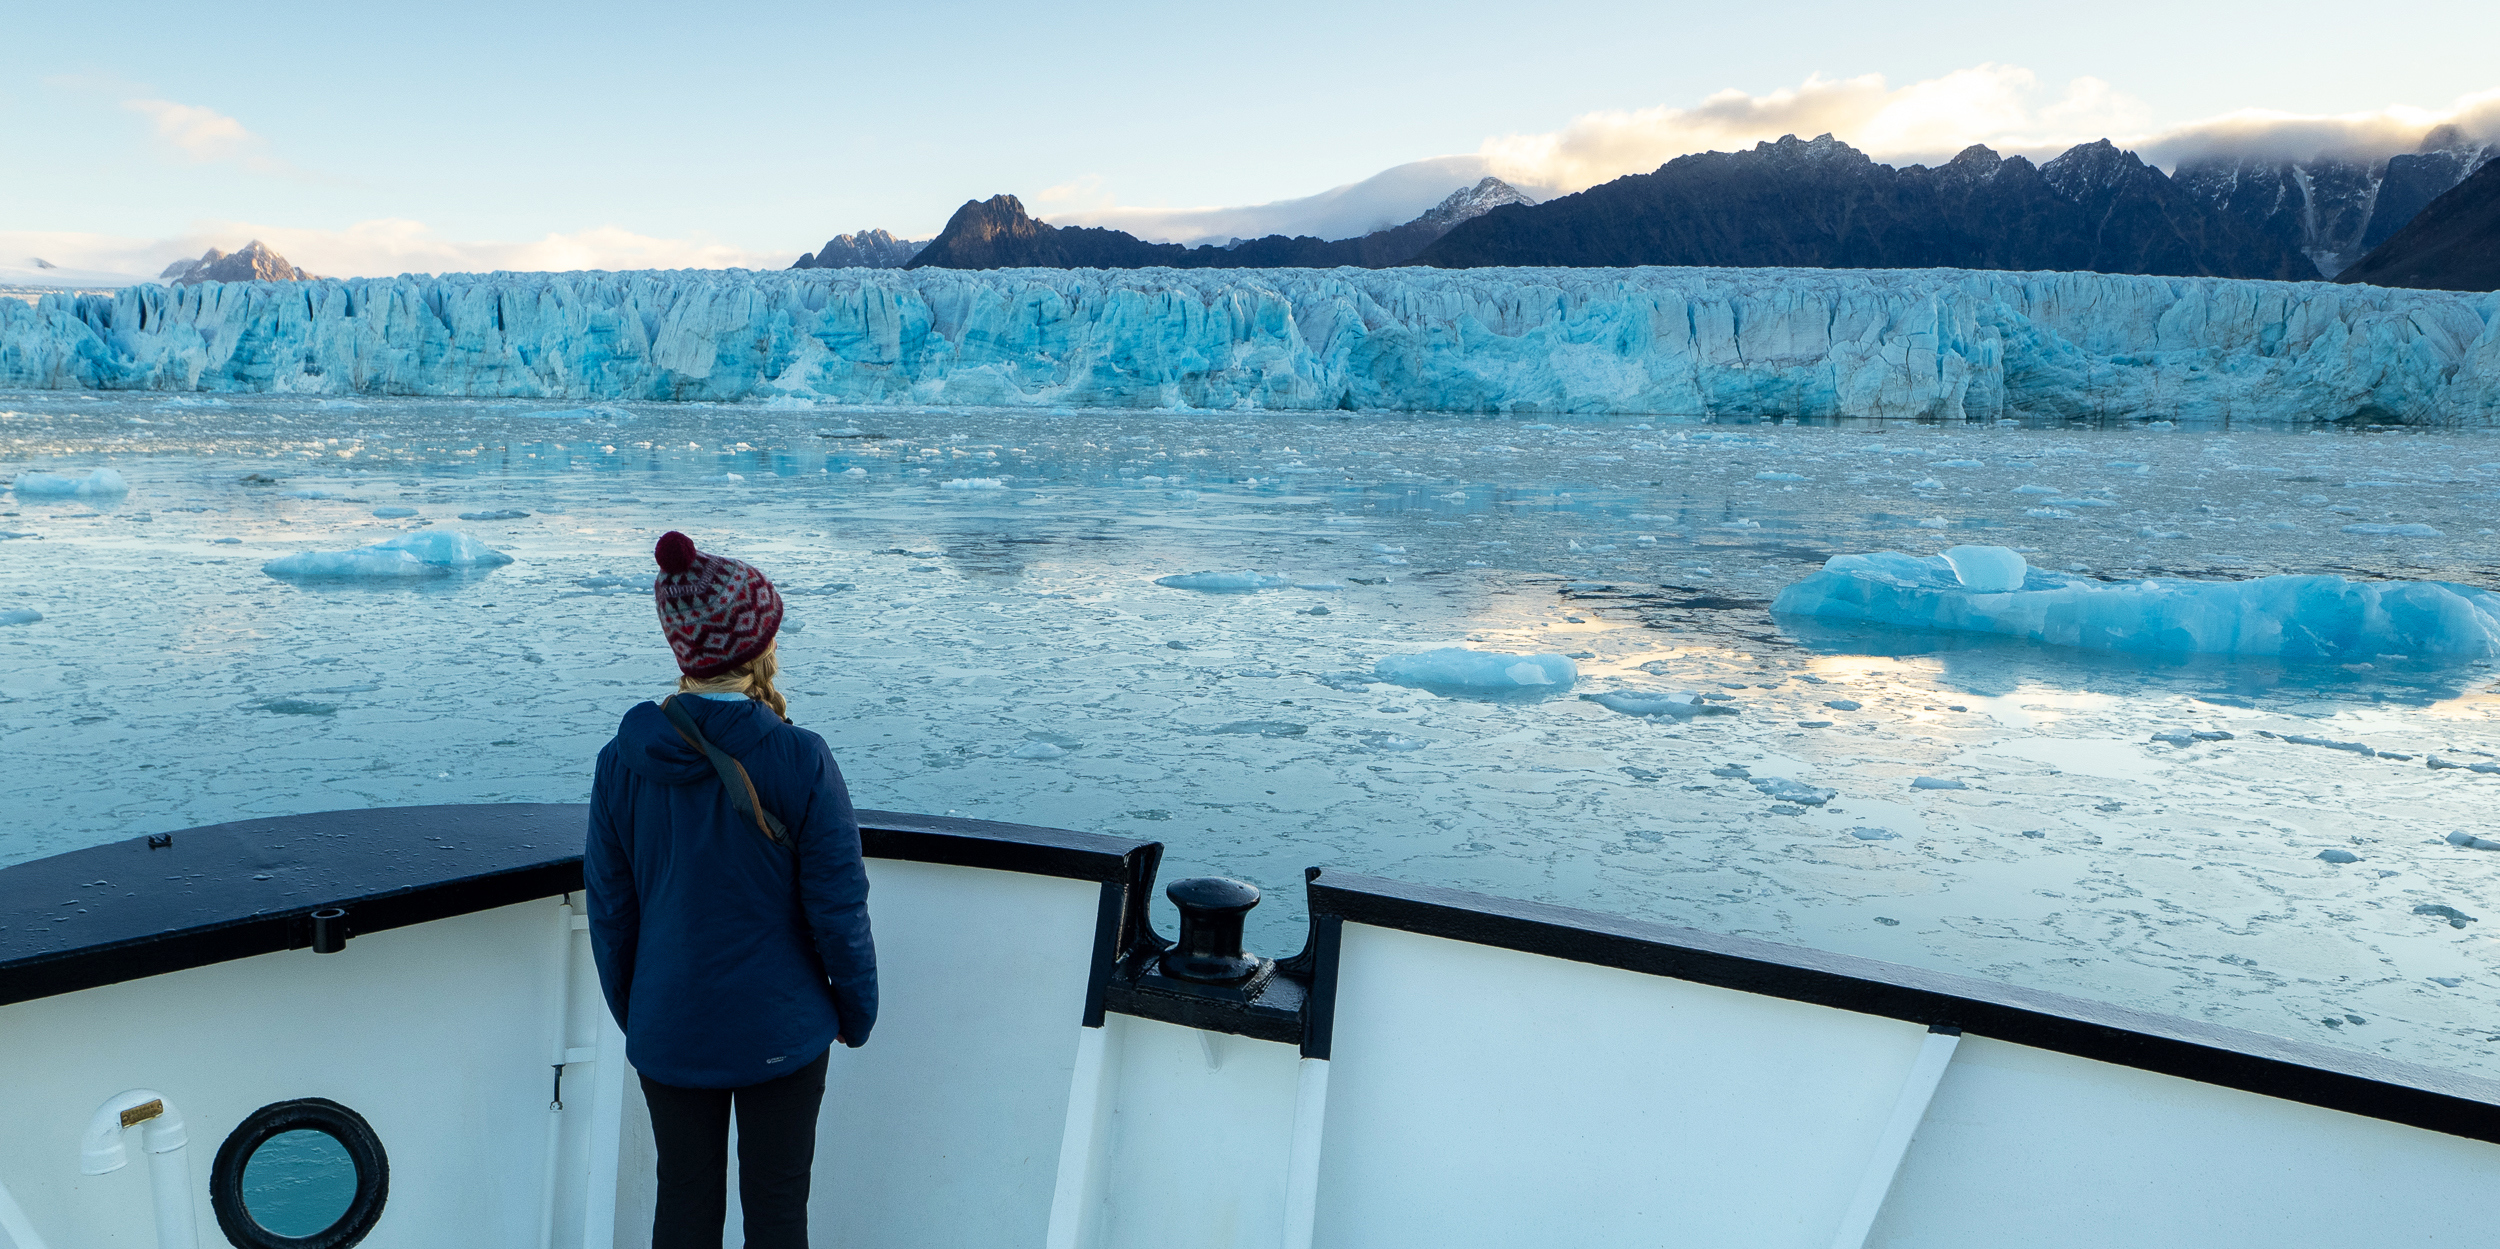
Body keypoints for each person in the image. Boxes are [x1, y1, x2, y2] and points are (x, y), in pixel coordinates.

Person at [586, 530, 877, 1249]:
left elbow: (612, 912)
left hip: (669, 1022)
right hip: (782, 1027)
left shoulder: (621, 762)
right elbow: (838, 907)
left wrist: (641, 1014)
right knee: (777, 1212)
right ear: (759, 645)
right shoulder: (800, 757)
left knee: (683, 1207)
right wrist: (856, 1010)